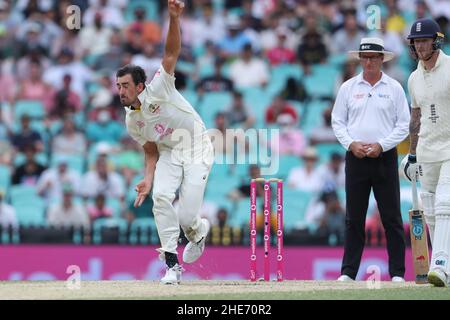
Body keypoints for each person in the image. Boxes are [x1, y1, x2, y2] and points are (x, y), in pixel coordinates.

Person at [116, 0, 213, 285]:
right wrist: (147, 179)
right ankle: (172, 264)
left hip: (196, 145)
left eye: (125, 86)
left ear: (139, 86)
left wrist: (173, 18)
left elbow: (171, 53)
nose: (120, 91)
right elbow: (150, 150)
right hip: (169, 152)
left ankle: (197, 231)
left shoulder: (160, 86)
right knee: (160, 196)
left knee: (187, 216)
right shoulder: (131, 120)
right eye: (118, 86)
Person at [332, 37, 410, 282]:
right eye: (364, 57)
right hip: (356, 158)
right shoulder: (348, 88)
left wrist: (382, 145)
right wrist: (351, 144)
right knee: (354, 218)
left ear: (381, 60)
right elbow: (338, 122)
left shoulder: (394, 88)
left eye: (373, 57)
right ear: (360, 60)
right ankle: (348, 272)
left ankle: (397, 273)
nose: (368, 62)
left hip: (384, 158)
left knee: (392, 217)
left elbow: (404, 124)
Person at [403, 18, 450, 287]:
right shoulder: (413, 78)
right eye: (416, 41)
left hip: (449, 149)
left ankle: (440, 264)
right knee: (431, 210)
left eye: (424, 40)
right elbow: (415, 119)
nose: (420, 45)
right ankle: (445, 267)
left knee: (445, 203)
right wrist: (411, 155)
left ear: (436, 40)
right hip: (426, 151)